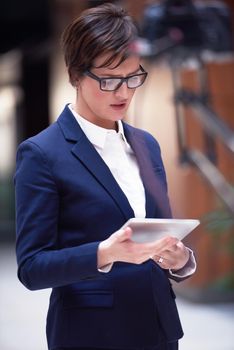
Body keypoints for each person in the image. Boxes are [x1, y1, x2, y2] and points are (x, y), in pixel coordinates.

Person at [15, 3, 196, 350]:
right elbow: (32, 268)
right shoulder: (42, 154)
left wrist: (181, 260)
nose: (124, 92)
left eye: (133, 77)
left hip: (159, 330)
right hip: (91, 334)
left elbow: (162, 232)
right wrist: (104, 253)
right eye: (109, 80)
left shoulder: (147, 145)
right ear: (75, 75)